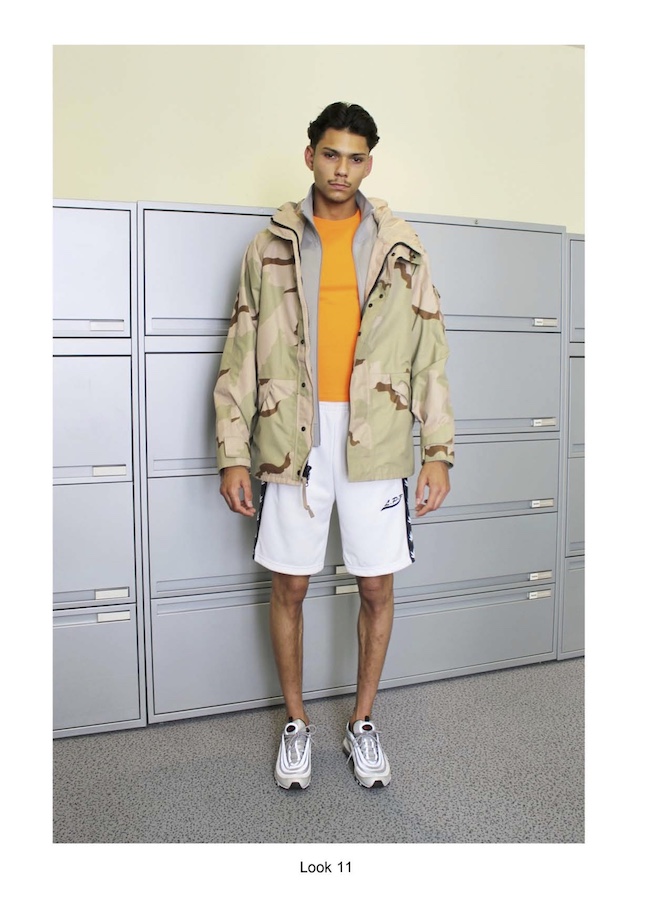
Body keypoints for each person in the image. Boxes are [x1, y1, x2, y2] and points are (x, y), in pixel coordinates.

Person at [214, 101, 454, 790]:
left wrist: (438, 450)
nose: (341, 169)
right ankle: (296, 724)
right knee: (290, 583)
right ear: (310, 156)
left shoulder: (403, 247)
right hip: (292, 431)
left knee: (376, 585)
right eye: (330, 154)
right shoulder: (270, 245)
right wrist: (233, 452)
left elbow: (430, 354)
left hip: (377, 432)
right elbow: (241, 348)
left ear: (369, 164)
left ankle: (362, 722)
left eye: (354, 157)